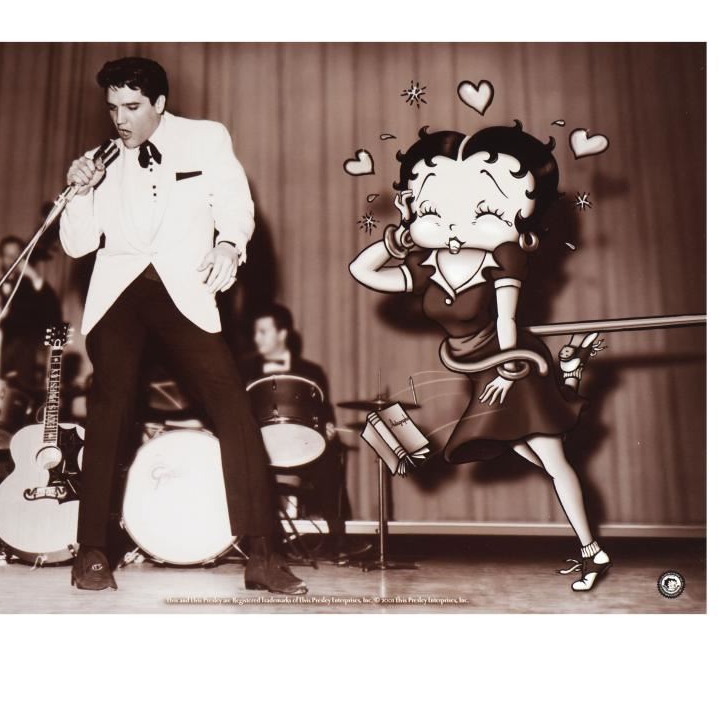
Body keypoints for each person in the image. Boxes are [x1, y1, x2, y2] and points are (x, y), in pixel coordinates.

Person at [60, 56, 306, 593]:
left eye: (132, 107)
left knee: (233, 409)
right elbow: (78, 245)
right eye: (113, 108)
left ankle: (263, 555)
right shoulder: (100, 160)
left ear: (159, 103)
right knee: (109, 409)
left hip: (184, 290)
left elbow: (235, 203)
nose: (120, 119)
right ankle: (92, 552)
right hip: (118, 295)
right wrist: (79, 192)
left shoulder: (205, 138)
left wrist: (228, 244)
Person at [349, 122, 611, 592]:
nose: (454, 222)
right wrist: (396, 241)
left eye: (486, 208)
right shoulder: (426, 267)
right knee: (521, 447)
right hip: (480, 371)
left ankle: (593, 552)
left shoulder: (503, 258)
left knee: (553, 460)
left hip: (511, 363)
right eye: (435, 207)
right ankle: (569, 375)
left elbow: (506, 321)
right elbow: (361, 270)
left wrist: (510, 371)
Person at [240, 304, 370, 561]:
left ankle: (339, 540)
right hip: (260, 451)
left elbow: (324, 412)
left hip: (302, 450)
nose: (256, 338)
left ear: (282, 334)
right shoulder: (244, 370)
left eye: (263, 332)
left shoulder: (311, 372)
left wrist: (328, 427)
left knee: (331, 460)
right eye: (255, 332)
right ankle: (252, 544)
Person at [0, 235, 63, 350]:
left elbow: (55, 316)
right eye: (7, 255)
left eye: (16, 255)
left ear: (24, 258)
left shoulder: (36, 290)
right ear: (1, 259)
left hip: (27, 352)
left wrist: (34, 276)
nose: (12, 259)